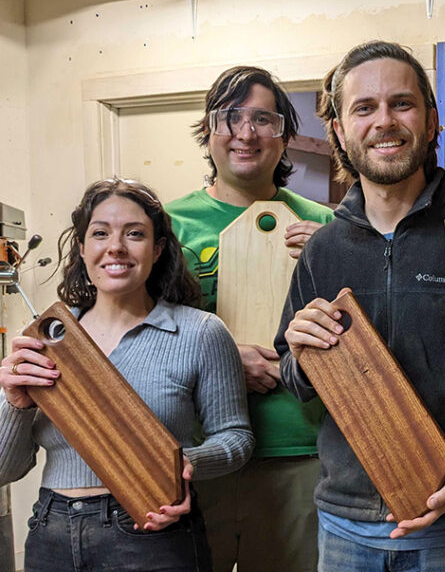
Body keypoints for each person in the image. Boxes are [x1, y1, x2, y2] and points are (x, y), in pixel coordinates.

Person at [275, 41, 445, 572]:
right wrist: (302, 350)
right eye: (364, 107)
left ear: (431, 121)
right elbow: (294, 377)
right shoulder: (323, 248)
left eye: (401, 103)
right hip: (344, 528)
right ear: (338, 129)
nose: (384, 121)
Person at [0, 178, 252, 572]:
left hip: (151, 528)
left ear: (158, 249)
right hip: (51, 530)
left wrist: (182, 464)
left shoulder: (200, 332)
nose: (115, 247)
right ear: (82, 248)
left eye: (134, 234)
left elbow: (236, 438)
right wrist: (14, 404)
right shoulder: (47, 341)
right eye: (100, 233)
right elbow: (5, 470)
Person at [165, 66, 336, 572]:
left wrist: (326, 259)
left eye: (263, 119)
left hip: (300, 453)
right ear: (208, 130)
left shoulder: (324, 222)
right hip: (199, 453)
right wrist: (222, 360)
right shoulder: (166, 224)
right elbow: (135, 334)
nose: (246, 132)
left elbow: (360, 334)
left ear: (284, 134)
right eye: (230, 117)